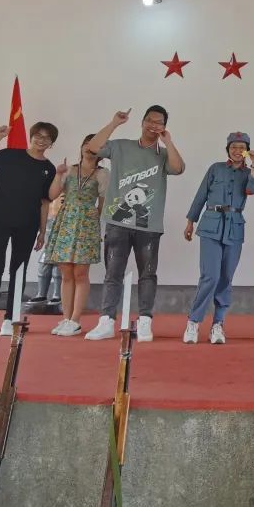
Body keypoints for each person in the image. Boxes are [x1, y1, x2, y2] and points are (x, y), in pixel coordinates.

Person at [84, 106, 185, 342]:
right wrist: (114, 123)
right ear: (142, 122)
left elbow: (178, 168)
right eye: (149, 120)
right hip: (117, 222)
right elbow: (94, 147)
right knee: (113, 273)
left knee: (147, 275)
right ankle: (106, 321)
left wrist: (168, 142)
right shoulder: (121, 146)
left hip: (148, 226)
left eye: (159, 122)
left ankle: (145, 321)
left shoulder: (163, 155)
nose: (153, 125)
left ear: (164, 126)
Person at [0, 122, 58, 335]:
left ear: (51, 143)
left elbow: (45, 202)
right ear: (31, 136)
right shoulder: (10, 155)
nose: (41, 140)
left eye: (47, 138)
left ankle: (11, 318)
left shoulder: (49, 168)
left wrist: (42, 231)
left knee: (18, 269)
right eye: (38, 135)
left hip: (27, 224)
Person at [182, 132, 254, 344]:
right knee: (210, 276)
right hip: (211, 225)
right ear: (228, 149)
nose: (237, 150)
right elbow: (201, 195)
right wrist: (191, 221)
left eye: (241, 147)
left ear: (246, 151)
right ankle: (194, 321)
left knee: (226, 277)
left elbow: (253, 189)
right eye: (233, 147)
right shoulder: (216, 168)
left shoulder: (250, 173)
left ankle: (218, 324)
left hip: (234, 227)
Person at [44, 136, 109, 336]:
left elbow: (104, 203)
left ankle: (75, 320)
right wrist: (58, 174)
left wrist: (95, 225)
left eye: (95, 147)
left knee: (81, 272)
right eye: (87, 145)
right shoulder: (69, 170)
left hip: (87, 223)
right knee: (66, 272)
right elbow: (52, 195)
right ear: (81, 147)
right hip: (66, 221)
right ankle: (66, 318)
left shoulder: (103, 173)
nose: (90, 149)